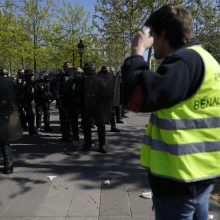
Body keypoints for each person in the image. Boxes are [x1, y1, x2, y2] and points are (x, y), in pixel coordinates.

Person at [122, 4, 220, 220]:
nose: (153, 44)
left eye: (154, 37)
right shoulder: (207, 59)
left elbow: (136, 98)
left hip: (178, 177)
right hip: (201, 173)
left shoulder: (184, 63)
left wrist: (137, 53)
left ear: (163, 34)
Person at [0, 66, 22, 174]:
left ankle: (8, 164)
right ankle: (8, 164)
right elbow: (17, 95)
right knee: (4, 141)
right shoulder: (9, 82)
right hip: (6, 113)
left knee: (3, 141)